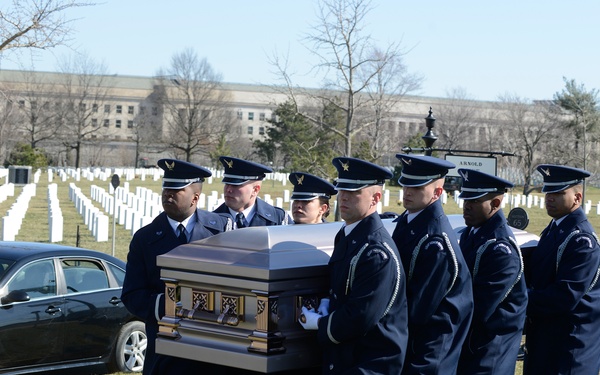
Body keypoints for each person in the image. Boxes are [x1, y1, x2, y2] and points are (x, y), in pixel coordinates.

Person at [121, 159, 232, 375]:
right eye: (166, 189)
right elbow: (132, 295)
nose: (167, 195)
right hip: (166, 348)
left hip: (212, 346)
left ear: (195, 198)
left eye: (176, 190)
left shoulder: (221, 231)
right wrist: (173, 304)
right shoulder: (145, 238)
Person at [299, 157, 408, 374]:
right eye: (342, 190)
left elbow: (362, 315)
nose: (344, 197)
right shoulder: (348, 234)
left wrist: (320, 324)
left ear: (375, 198)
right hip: (348, 356)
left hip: (370, 362)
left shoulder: (376, 251)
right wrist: (327, 302)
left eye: (355, 192)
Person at [391, 154, 473, 375]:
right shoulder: (409, 222)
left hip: (428, 354)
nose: (408, 191)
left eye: (417, 187)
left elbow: (418, 307)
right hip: (412, 344)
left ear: (437, 192)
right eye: (406, 184)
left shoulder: (437, 243)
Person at [524, 164, 600, 374]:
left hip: (569, 348)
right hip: (547, 342)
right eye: (548, 192)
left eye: (558, 193)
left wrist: (520, 299)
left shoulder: (581, 240)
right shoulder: (556, 228)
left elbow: (564, 296)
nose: (549, 197)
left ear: (577, 198)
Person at [455, 168, 527, 375]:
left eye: (475, 201)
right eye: (465, 199)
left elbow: (480, 305)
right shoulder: (473, 233)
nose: (466, 206)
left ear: (495, 204)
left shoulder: (501, 249)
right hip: (472, 344)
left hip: (489, 351)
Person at [213, 156, 291, 227]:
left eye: (235, 185)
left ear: (255, 190)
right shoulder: (212, 221)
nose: (228, 190)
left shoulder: (279, 219)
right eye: (227, 184)